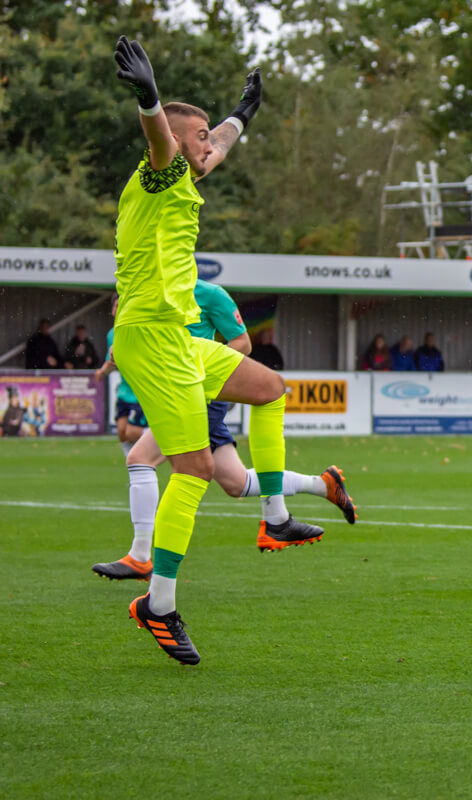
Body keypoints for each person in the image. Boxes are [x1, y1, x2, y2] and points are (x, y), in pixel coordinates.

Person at [109, 36, 324, 665]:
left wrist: (242, 114)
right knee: (196, 470)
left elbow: (215, 148)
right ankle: (160, 604)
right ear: (179, 145)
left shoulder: (186, 174)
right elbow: (160, 138)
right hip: (152, 338)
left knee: (269, 388)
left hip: (178, 338)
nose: (211, 144)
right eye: (200, 135)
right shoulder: (160, 172)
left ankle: (277, 514)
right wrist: (150, 99)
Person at [92, 280, 356, 582]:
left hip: (203, 393)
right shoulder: (152, 292)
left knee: (140, 458)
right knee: (236, 483)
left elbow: (242, 343)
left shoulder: (210, 294)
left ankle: (141, 558)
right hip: (178, 392)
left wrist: (204, 370)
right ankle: (323, 485)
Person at [94, 294, 148, 455]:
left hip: (141, 392)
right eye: (115, 306)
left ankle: (161, 443)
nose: (117, 309)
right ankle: (134, 476)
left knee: (132, 433)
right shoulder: (112, 334)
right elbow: (112, 361)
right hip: (125, 391)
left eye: (120, 306)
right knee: (122, 434)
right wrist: (102, 372)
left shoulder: (139, 330)